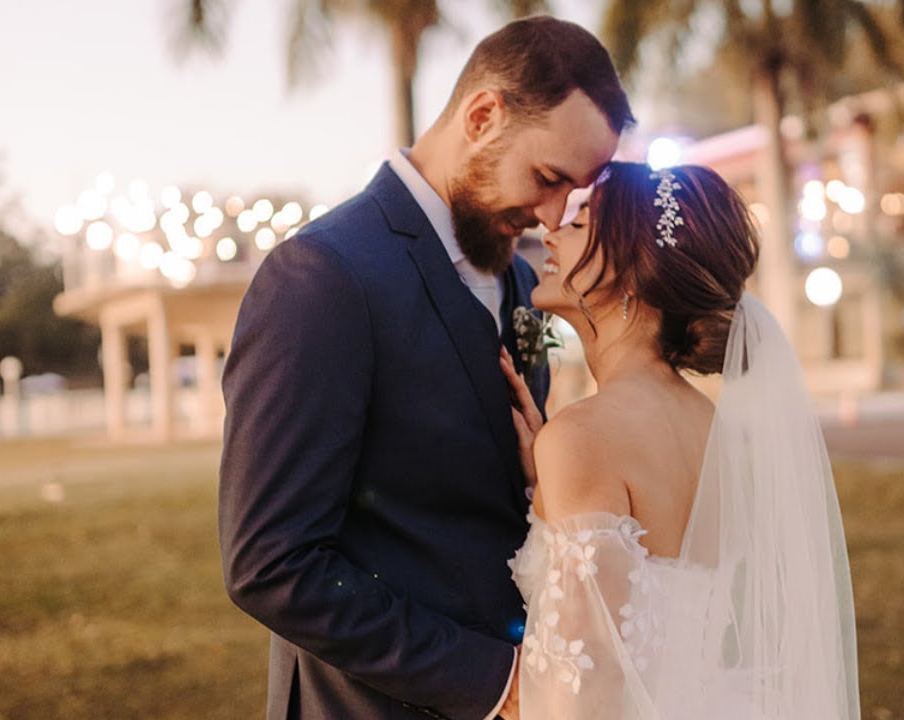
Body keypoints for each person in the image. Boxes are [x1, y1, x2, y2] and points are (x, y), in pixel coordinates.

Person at [218, 17, 633, 719]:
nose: (553, 214)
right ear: (482, 116)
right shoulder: (324, 277)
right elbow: (272, 565)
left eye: (577, 192)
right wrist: (496, 682)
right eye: (548, 178)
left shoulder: (520, 286)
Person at [501, 162, 860, 719]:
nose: (550, 231)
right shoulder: (709, 428)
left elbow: (584, 687)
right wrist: (543, 487)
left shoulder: (581, 435)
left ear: (631, 267)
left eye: (581, 222)